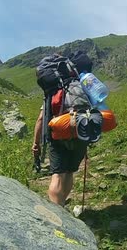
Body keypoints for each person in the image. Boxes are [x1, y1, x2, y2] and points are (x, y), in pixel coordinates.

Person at [32, 51, 93, 206]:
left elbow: (40, 119)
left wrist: (36, 143)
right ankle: (62, 204)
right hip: (81, 131)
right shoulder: (82, 85)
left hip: (58, 133)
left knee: (58, 175)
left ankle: (57, 214)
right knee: (69, 172)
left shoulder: (54, 92)